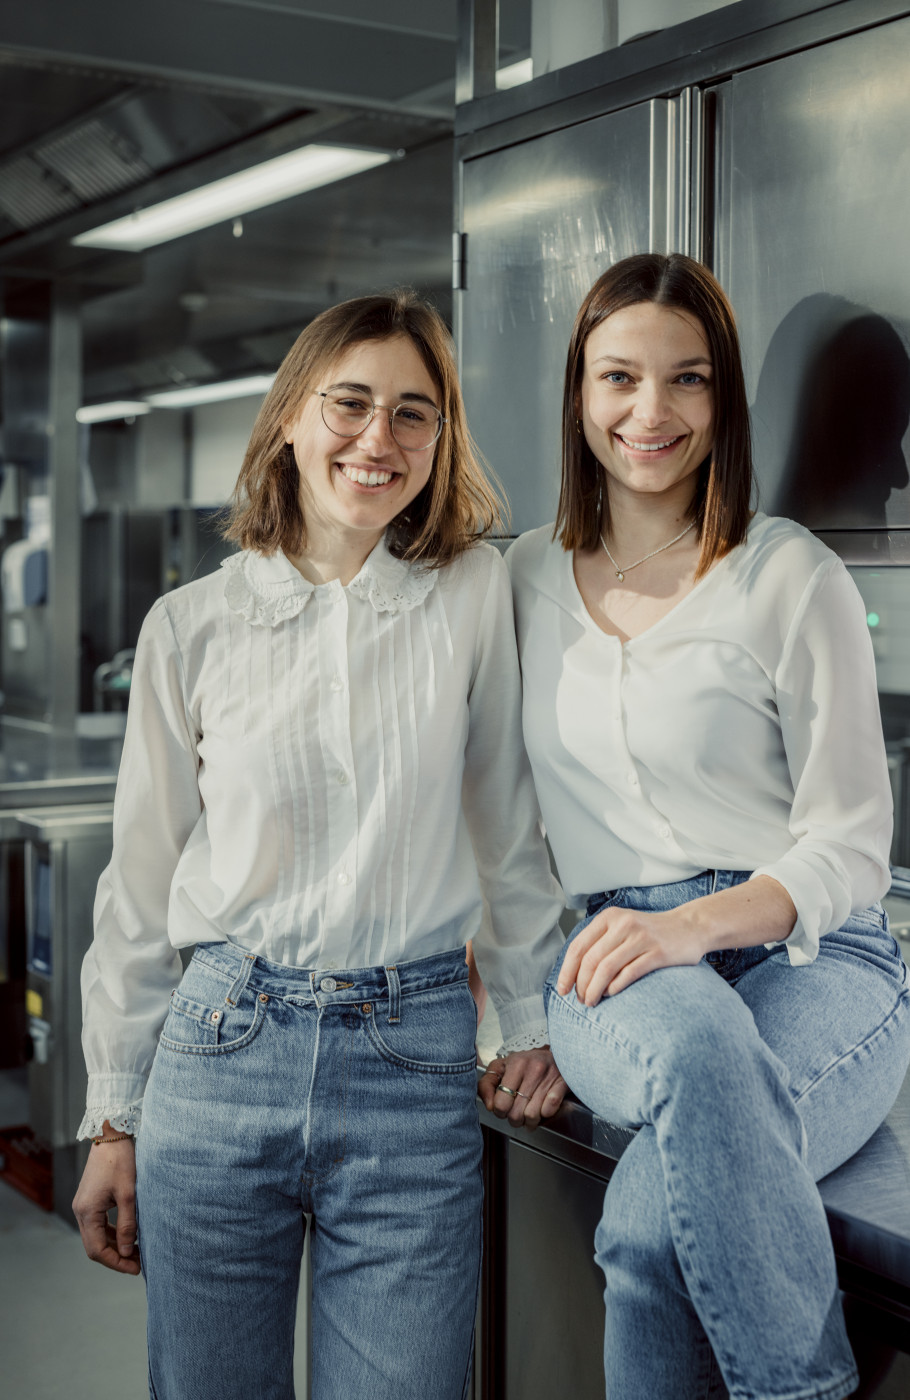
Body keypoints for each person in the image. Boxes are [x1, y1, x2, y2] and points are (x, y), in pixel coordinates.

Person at [72, 290, 568, 1400]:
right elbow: (141, 884)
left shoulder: (473, 592)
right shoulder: (188, 627)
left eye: (413, 413)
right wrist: (115, 1116)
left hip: (415, 1061)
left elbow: (507, 823)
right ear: (290, 416)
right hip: (219, 1044)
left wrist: (530, 1016)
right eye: (349, 403)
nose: (378, 438)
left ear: (440, 441)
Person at [505, 252, 910, 1400]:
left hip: (820, 957)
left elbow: (848, 840)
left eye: (685, 380)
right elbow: (499, 819)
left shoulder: (790, 574)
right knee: (692, 1042)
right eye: (618, 377)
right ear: (579, 394)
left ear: (720, 397)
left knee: (646, 1232)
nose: (650, 411)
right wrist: (515, 1015)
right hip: (616, 955)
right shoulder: (522, 579)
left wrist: (699, 925)